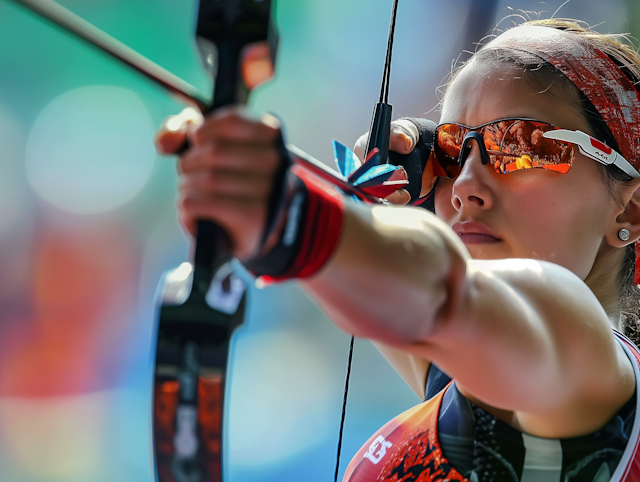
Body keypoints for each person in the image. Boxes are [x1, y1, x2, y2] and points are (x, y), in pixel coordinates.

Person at [155, 18, 640, 482]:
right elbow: (399, 287)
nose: (464, 186)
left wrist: (287, 213)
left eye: (519, 144)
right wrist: (364, 203)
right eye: (452, 151)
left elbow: (442, 295)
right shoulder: (467, 378)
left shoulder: (579, 353)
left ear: (630, 211)